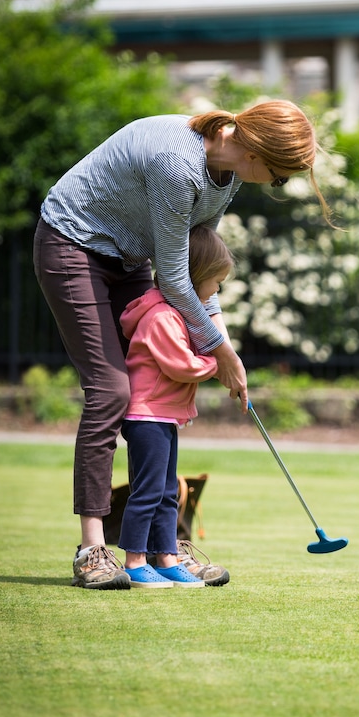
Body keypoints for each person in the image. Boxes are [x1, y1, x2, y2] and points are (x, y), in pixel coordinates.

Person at [33, 99, 329, 590]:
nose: (274, 185)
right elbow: (173, 278)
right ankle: (93, 550)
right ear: (256, 154)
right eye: (279, 178)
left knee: (149, 396)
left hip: (129, 258)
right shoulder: (178, 163)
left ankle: (161, 549)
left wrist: (223, 345)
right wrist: (220, 354)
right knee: (111, 391)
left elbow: (198, 268)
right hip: (73, 244)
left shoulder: (228, 175)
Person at [118, 225, 233, 589]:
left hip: (163, 416)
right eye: (216, 282)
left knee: (168, 492)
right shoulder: (162, 317)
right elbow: (181, 365)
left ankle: (166, 558)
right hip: (146, 415)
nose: (216, 291)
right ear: (196, 276)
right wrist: (218, 363)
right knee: (148, 491)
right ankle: (135, 561)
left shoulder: (176, 314)